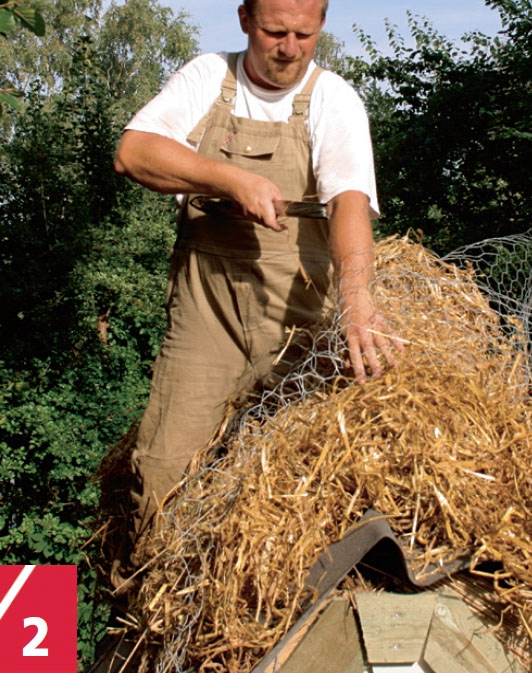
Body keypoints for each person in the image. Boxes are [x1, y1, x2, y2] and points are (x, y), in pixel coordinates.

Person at [111, 0, 401, 586]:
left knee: (299, 478)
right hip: (206, 312)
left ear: (321, 26)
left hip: (296, 316)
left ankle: (280, 607)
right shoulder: (207, 77)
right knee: (165, 464)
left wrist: (356, 299)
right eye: (274, 31)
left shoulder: (333, 98)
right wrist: (230, 179)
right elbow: (133, 153)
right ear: (245, 19)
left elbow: (349, 202)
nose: (289, 48)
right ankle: (152, 601)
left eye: (304, 34)